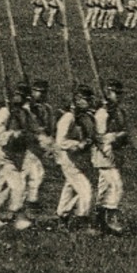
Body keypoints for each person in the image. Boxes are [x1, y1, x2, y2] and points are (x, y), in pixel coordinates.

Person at [0, 84, 34, 230]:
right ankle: (19, 218)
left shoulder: (25, 113)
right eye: (19, 95)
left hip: (17, 155)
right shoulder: (5, 112)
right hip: (5, 156)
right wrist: (13, 134)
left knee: (4, 187)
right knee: (18, 186)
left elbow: (31, 129)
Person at [53, 85, 96, 228]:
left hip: (81, 159)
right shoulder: (68, 118)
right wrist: (78, 144)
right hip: (69, 159)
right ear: (77, 100)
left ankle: (62, 217)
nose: (89, 102)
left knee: (70, 187)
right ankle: (84, 220)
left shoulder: (86, 117)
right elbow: (61, 141)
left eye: (90, 99)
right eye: (85, 99)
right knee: (86, 190)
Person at [92, 79, 129, 234]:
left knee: (104, 188)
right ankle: (112, 217)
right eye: (115, 93)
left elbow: (125, 130)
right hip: (104, 155)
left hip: (115, 154)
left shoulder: (119, 112)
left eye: (120, 93)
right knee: (116, 185)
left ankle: (97, 222)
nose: (119, 96)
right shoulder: (102, 113)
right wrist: (114, 137)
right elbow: (99, 137)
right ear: (108, 93)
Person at [22, 79, 54, 220]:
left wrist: (49, 141)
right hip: (27, 146)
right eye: (37, 92)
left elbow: (51, 127)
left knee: (32, 176)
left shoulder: (47, 109)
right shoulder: (26, 109)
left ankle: (27, 205)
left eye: (43, 92)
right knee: (36, 174)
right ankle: (30, 205)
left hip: (40, 146)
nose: (40, 95)